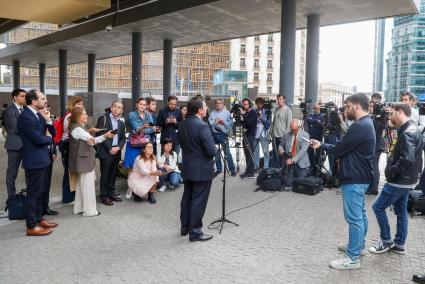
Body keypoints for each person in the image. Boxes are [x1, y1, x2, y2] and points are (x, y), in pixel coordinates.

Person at [310, 93, 375, 270]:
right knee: (360, 215)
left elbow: (339, 148)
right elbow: (344, 147)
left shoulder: (360, 126)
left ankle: (352, 257)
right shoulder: (365, 124)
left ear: (356, 106)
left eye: (347, 106)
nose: (345, 110)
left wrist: (320, 145)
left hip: (354, 177)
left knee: (354, 218)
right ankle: (357, 247)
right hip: (359, 176)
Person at [369, 103, 423, 255]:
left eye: (392, 113)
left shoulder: (407, 132)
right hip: (407, 180)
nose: (389, 117)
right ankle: (399, 244)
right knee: (401, 211)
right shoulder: (413, 128)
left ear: (400, 112)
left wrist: (392, 171)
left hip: (399, 180)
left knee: (378, 207)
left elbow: (407, 159)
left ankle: (386, 241)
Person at [17, 89, 58, 236]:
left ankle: (39, 218)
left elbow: (52, 133)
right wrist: (48, 138)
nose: (45, 101)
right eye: (42, 99)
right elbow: (39, 139)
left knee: (40, 192)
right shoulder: (26, 117)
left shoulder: (38, 114)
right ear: (34, 102)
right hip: (34, 160)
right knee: (33, 194)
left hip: (43, 158)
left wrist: (48, 121)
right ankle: (31, 226)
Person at [178, 96, 217, 242]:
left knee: (187, 197)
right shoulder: (202, 126)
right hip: (202, 170)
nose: (207, 109)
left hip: (188, 167)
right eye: (205, 107)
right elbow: (210, 151)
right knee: (198, 200)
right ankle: (195, 232)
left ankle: (185, 227)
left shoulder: (182, 124)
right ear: (200, 110)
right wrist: (216, 148)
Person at [69, 106, 114, 216]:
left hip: (82, 160)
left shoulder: (77, 127)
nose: (86, 116)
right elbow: (94, 140)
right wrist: (106, 135)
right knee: (87, 187)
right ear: (78, 116)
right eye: (84, 114)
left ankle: (79, 208)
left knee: (81, 186)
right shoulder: (78, 128)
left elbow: (90, 140)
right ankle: (89, 211)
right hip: (84, 160)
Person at [96, 101, 126, 206]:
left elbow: (123, 138)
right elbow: (100, 134)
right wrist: (110, 149)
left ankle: (111, 193)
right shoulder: (103, 119)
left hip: (116, 151)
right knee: (105, 174)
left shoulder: (121, 123)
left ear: (121, 111)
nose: (116, 109)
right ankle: (104, 196)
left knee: (113, 174)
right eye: (115, 106)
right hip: (105, 151)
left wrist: (118, 147)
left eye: (119, 108)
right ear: (111, 107)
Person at [58, 96, 84, 204]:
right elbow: (72, 132)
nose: (81, 106)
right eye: (78, 104)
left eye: (81, 104)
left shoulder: (74, 115)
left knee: (72, 171)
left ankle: (71, 195)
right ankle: (67, 197)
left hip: (71, 144)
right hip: (67, 145)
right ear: (72, 105)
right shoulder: (69, 116)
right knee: (68, 171)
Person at [3, 89, 26, 211]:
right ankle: (11, 200)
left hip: (27, 146)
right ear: (15, 97)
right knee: (12, 175)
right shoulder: (9, 110)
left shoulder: (25, 109)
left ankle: (29, 199)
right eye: (22, 96)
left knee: (30, 171)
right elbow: (17, 128)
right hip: (15, 146)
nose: (24, 98)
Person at [208, 98, 236, 177]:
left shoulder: (227, 113)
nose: (218, 104)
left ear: (223, 104)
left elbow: (231, 124)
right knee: (216, 153)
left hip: (223, 134)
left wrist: (223, 123)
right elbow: (209, 124)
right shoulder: (212, 113)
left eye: (220, 103)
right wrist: (215, 121)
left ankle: (232, 170)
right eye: (217, 103)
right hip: (214, 134)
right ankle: (219, 169)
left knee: (227, 153)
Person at [278, 119, 310, 187]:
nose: (293, 132)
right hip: (289, 162)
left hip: (301, 164)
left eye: (294, 130)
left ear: (299, 127)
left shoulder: (305, 135)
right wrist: (283, 153)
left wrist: (293, 160)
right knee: (288, 184)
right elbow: (280, 146)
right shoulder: (286, 134)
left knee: (299, 184)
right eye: (291, 129)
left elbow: (303, 151)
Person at [366, 93, 386, 195]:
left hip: (377, 144)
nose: (371, 104)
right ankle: (371, 187)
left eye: (373, 102)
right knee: (372, 165)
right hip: (375, 144)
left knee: (374, 166)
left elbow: (377, 131)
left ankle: (373, 188)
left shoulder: (380, 116)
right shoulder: (376, 116)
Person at [270, 94, 292, 168]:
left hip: (282, 136)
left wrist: (285, 137)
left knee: (283, 154)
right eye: (278, 99)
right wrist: (271, 132)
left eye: (280, 99)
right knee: (275, 154)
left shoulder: (288, 110)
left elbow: (289, 125)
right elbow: (274, 122)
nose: (279, 101)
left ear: (284, 100)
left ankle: (284, 169)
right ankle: (276, 170)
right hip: (275, 136)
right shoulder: (276, 109)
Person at [240, 98, 257, 179]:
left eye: (246, 104)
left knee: (250, 154)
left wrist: (243, 115)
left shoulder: (253, 112)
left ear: (249, 104)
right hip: (245, 135)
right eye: (243, 104)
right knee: (246, 154)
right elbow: (244, 123)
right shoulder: (246, 113)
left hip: (250, 136)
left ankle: (251, 172)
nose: (244, 106)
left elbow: (250, 123)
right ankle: (248, 171)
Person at [305, 104, 324, 175]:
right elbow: (308, 119)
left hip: (319, 138)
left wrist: (313, 123)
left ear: (320, 109)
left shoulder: (322, 116)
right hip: (311, 138)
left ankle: (317, 169)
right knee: (310, 154)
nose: (315, 110)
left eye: (317, 109)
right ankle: (311, 168)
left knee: (318, 155)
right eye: (314, 109)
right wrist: (317, 121)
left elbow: (322, 125)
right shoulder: (311, 115)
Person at [254, 97, 271, 171]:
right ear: (256, 104)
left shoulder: (267, 112)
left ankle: (266, 167)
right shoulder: (254, 111)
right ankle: (256, 166)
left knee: (265, 151)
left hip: (264, 133)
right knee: (256, 152)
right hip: (255, 134)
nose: (260, 105)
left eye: (261, 104)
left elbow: (268, 125)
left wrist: (261, 118)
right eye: (258, 104)